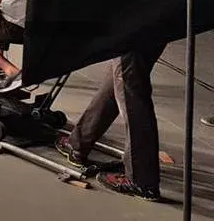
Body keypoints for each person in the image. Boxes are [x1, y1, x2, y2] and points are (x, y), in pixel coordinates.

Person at [55, 43, 166, 202]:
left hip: (135, 30)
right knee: (121, 76)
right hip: (151, 30)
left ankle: (142, 181)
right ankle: (78, 143)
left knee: (130, 88)